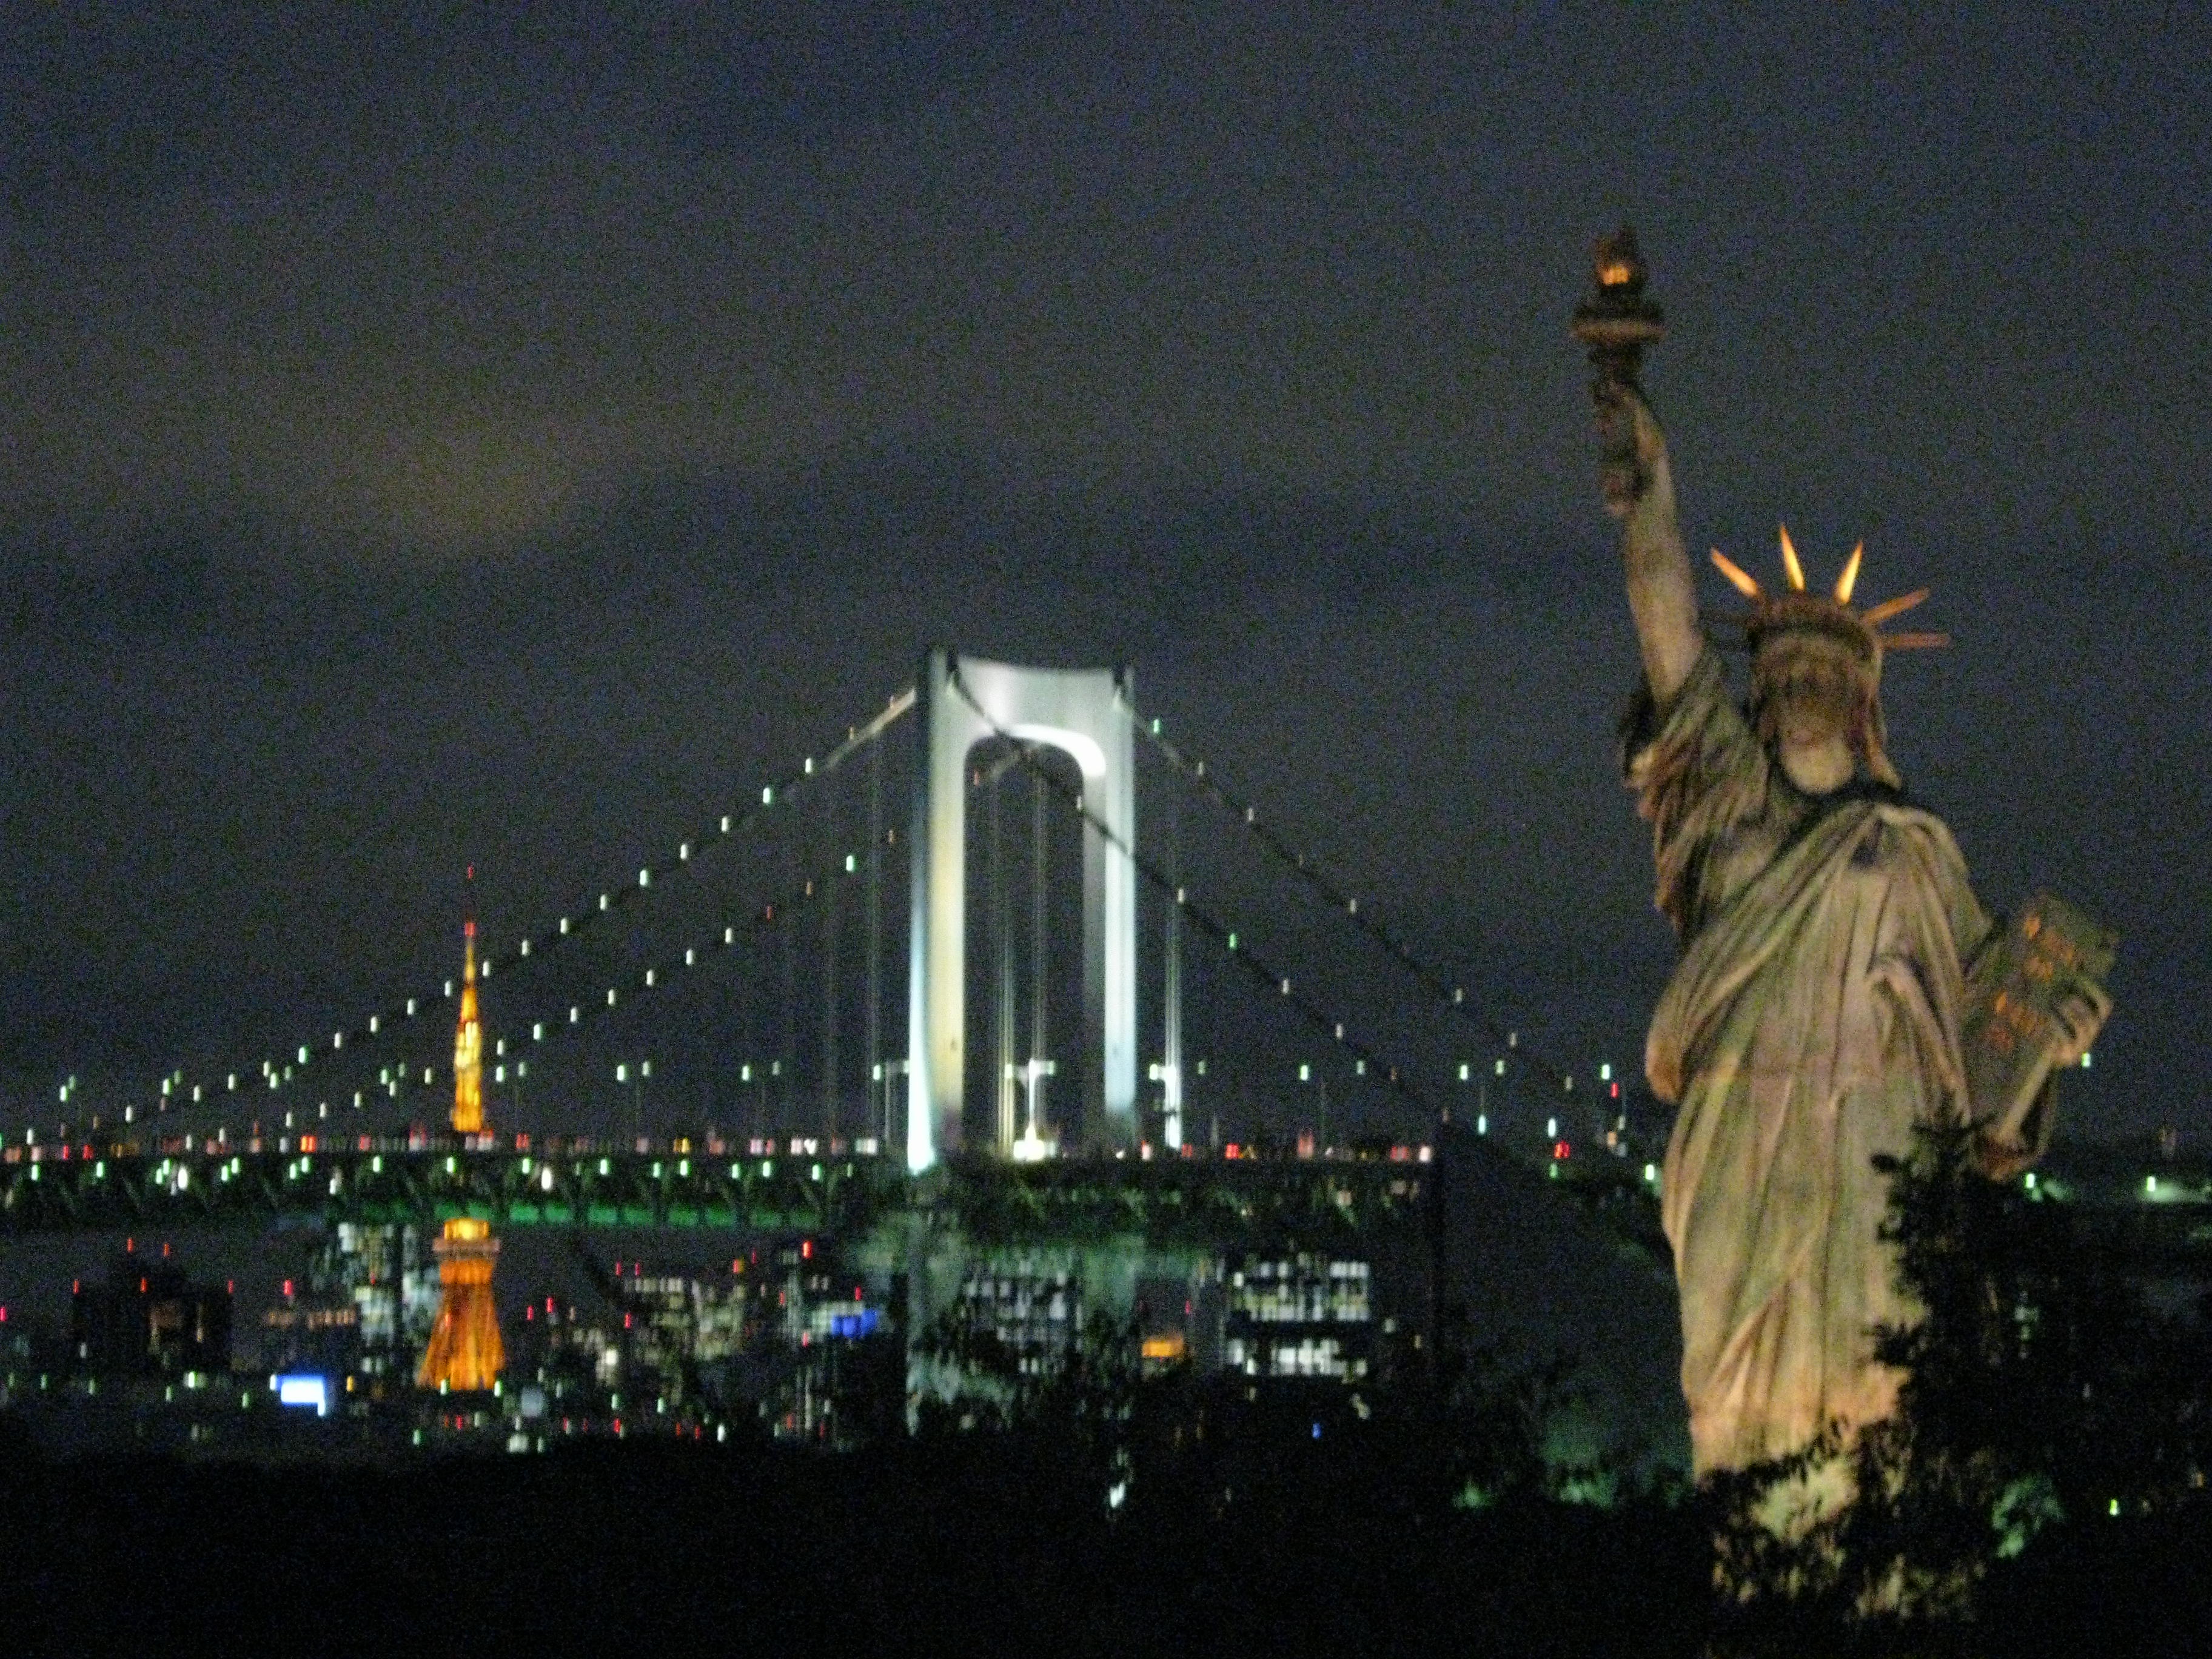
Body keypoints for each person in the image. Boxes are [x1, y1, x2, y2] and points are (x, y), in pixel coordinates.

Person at [1596, 384, 2108, 1482]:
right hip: (1740, 1138)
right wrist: (1651, 500)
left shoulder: (1917, 851)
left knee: (1885, 1416)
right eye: (1780, 673)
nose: (1803, 684)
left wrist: (2048, 1047)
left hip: (1877, 1142)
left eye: (1828, 670)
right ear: (1756, 696)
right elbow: (1667, 628)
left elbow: (1983, 1067)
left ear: (1866, 699)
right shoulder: (1723, 801)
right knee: (1738, 1430)